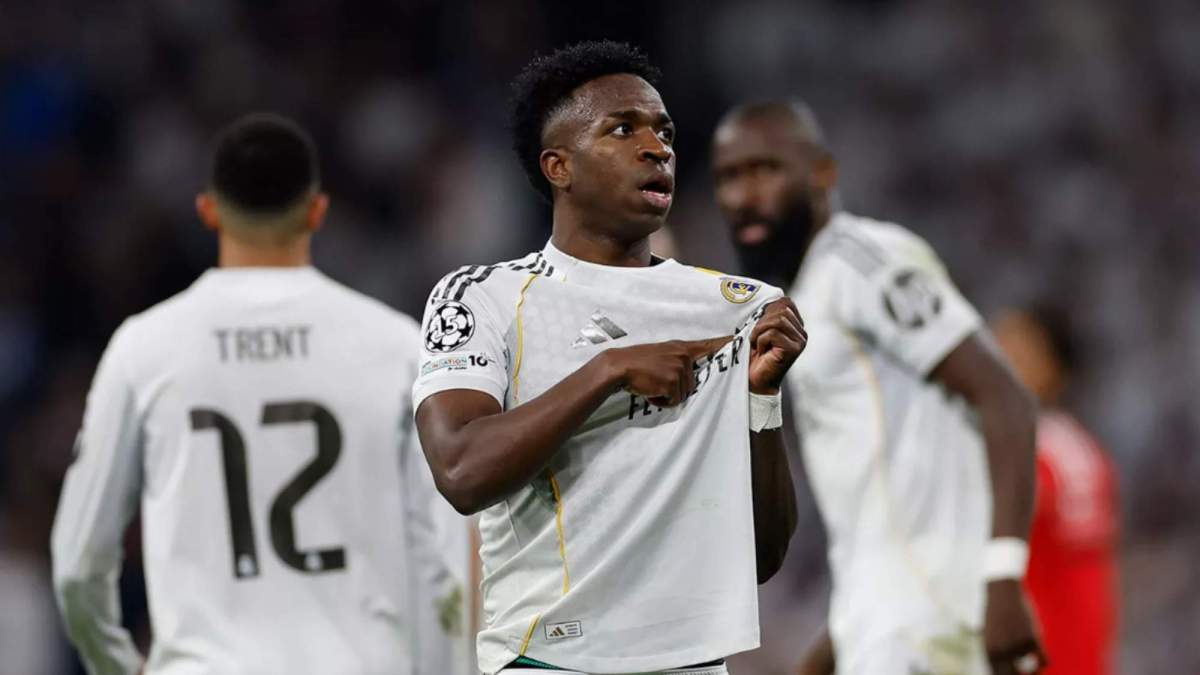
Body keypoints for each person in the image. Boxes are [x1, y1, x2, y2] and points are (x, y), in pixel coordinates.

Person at [412, 41, 806, 675]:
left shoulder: (735, 308)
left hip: (691, 662)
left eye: (665, 131)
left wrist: (761, 400)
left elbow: (760, 558)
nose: (657, 147)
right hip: (547, 659)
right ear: (558, 166)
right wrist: (607, 371)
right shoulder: (482, 297)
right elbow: (460, 471)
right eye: (623, 129)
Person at [50, 113, 453, 675]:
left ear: (208, 211)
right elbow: (448, 559)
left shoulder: (145, 347)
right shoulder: (395, 345)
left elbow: (77, 564)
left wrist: (114, 663)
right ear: (317, 211)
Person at [711, 100, 1043, 675]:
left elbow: (1004, 395)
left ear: (822, 173)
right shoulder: (809, 292)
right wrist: (843, 632)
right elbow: (885, 512)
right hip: (887, 619)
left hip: (927, 623)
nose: (744, 195)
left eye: (765, 169)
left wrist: (1005, 577)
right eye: (729, 178)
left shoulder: (863, 261)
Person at [993, 308, 1119, 675]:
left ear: (1050, 367)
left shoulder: (1028, 453)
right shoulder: (1077, 447)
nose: (994, 358)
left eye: (1015, 350)